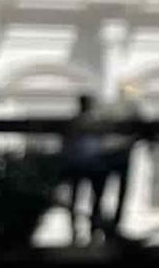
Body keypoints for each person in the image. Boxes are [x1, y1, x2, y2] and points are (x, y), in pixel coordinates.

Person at [61, 83, 142, 245]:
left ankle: (85, 230)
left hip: (91, 164)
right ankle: (94, 229)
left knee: (87, 199)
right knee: (96, 199)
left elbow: (66, 144)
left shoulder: (83, 121)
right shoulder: (98, 120)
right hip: (96, 164)